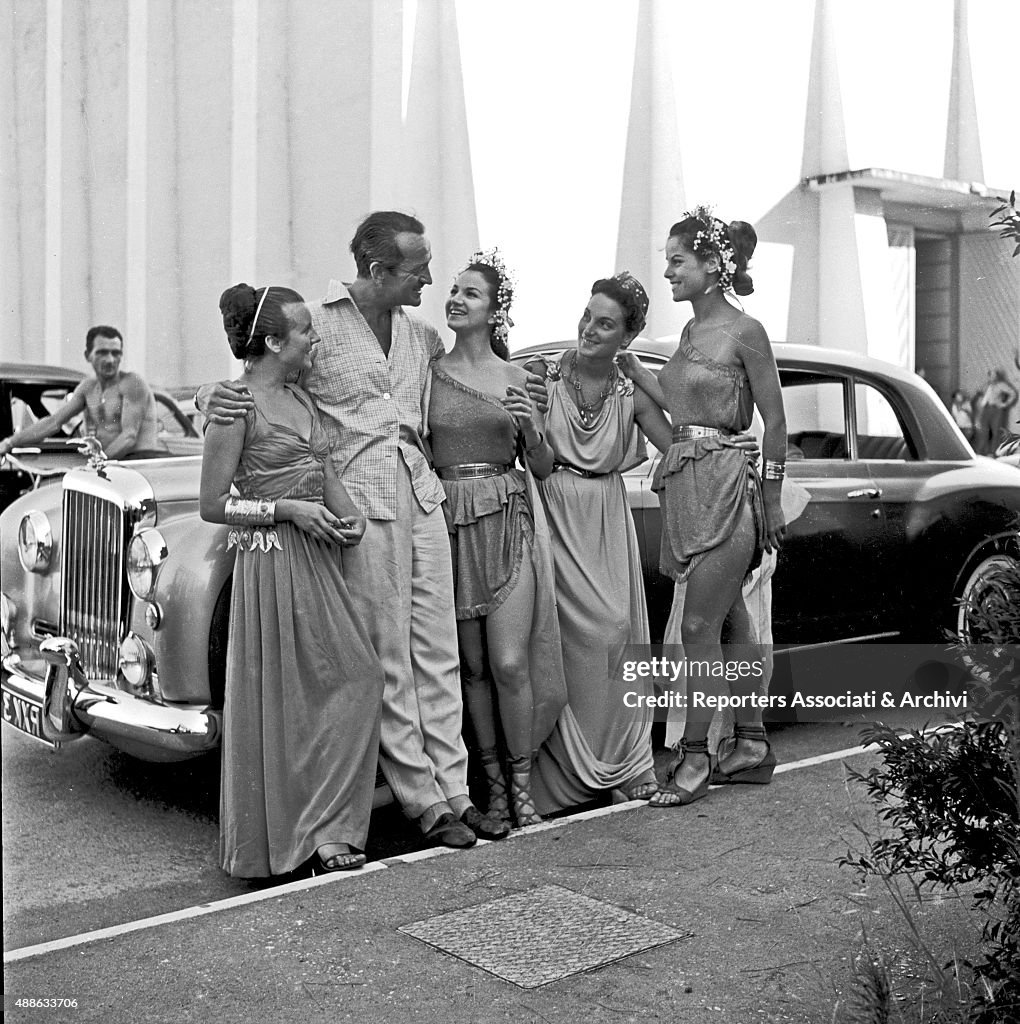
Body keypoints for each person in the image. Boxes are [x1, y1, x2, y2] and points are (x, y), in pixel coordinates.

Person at [199, 212, 545, 848]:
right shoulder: (318, 326)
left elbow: (473, 385)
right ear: (379, 270)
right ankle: (424, 803)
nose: (430, 280)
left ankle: (459, 793)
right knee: (388, 656)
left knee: (438, 651)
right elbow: (262, 378)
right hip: (359, 507)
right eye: (419, 269)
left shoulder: (425, 339)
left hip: (424, 495)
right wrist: (207, 398)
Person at [200, 284, 385, 877]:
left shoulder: (303, 400)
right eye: (305, 330)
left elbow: (322, 466)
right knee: (284, 702)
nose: (316, 337)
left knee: (357, 678)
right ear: (274, 341)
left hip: (316, 560)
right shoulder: (234, 408)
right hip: (268, 561)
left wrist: (346, 514)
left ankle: (327, 826)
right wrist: (286, 512)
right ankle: (311, 840)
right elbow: (212, 505)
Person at [622, 206, 787, 807]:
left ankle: (693, 758)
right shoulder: (690, 333)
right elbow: (677, 401)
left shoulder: (747, 332)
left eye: (677, 261)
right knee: (732, 623)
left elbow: (776, 419)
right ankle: (750, 743)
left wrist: (769, 495)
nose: (667, 273)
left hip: (730, 489)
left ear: (713, 265)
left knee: (696, 624)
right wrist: (634, 368)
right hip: (689, 483)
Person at [426, 248, 566, 830]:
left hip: (507, 517)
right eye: (454, 290)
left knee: (510, 663)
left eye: (470, 293)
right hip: (449, 520)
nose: (455, 299)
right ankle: (493, 789)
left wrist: (531, 427)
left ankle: (523, 780)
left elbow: (544, 465)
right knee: (472, 668)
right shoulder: (429, 372)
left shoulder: (519, 377)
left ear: (495, 311)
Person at [0, 326, 168, 461]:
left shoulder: (132, 382)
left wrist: (98, 464)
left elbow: (129, 437)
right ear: (88, 355)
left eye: (115, 353)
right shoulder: (88, 387)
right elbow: (53, 423)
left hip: (141, 461)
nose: (110, 360)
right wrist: (9, 442)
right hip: (110, 464)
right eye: (102, 352)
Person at [973, 368, 1018, 454]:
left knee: (995, 432)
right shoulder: (986, 385)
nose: (993, 377)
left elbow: (1013, 393)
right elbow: (980, 393)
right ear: (989, 376)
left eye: (994, 375)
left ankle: (993, 452)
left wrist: (1004, 404)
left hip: (996, 410)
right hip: (986, 409)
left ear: (997, 376)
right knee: (983, 431)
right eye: (991, 375)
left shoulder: (1002, 385)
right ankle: (980, 451)